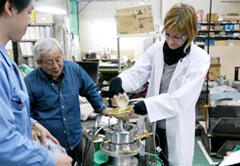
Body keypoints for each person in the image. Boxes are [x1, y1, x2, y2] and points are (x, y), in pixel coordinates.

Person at [109, 3, 210, 166]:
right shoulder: (156, 49)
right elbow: (138, 72)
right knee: (150, 161)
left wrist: (147, 106)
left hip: (176, 126)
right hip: (153, 126)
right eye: (167, 34)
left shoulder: (200, 59)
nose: (170, 41)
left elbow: (181, 98)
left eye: (177, 37)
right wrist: (121, 81)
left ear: (190, 35)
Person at [0, 0, 72, 166]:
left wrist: (33, 124)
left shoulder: (5, 60)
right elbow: (3, 142)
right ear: (10, 8)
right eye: (28, 12)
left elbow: (10, 110)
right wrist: (51, 160)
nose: (30, 21)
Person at [24, 37, 111, 165]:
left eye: (58, 59)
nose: (55, 66)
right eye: (49, 62)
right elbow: (25, 114)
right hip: (51, 147)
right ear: (39, 63)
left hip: (75, 139)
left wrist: (102, 108)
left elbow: (90, 88)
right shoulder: (29, 83)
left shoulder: (73, 69)